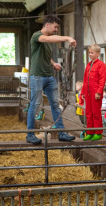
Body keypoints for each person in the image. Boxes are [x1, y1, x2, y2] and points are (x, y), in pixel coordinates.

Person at [26, 15, 76, 145]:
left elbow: (46, 56)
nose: (56, 29)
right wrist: (67, 38)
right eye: (55, 27)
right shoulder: (37, 36)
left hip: (49, 76)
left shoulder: (46, 43)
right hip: (37, 76)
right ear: (47, 25)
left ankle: (61, 132)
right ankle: (30, 134)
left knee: (55, 104)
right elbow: (47, 38)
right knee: (35, 104)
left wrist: (53, 63)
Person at [81, 44, 106, 141]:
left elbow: (102, 79)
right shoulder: (88, 65)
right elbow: (85, 80)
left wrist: (99, 92)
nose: (90, 54)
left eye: (92, 53)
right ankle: (90, 132)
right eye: (89, 53)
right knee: (88, 112)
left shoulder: (101, 65)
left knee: (96, 112)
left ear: (98, 54)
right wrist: (83, 93)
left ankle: (98, 132)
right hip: (88, 92)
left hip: (95, 92)